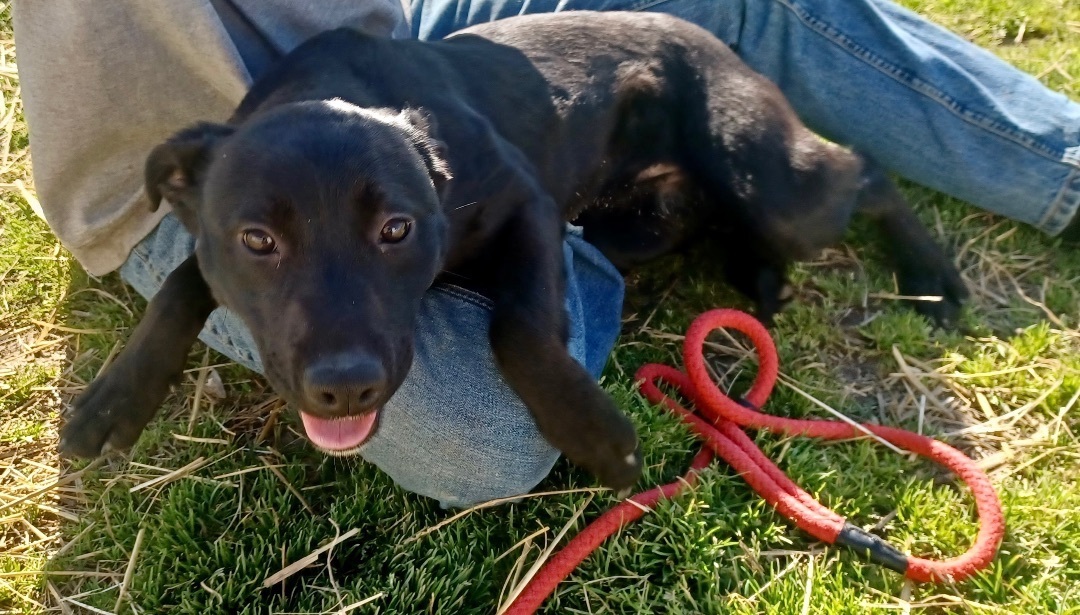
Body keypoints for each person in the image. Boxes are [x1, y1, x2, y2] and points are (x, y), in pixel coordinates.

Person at [13, 0, 1080, 507]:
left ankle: (1041, 169)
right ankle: (615, 235)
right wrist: (169, 323)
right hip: (199, 130)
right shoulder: (197, 176)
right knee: (491, 447)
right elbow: (241, 220)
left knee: (762, 153)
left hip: (409, 61)